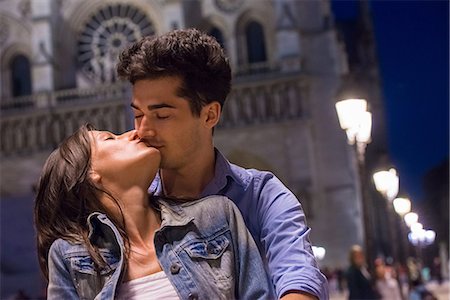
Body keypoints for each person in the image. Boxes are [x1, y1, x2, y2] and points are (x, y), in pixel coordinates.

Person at [117, 27, 327, 300]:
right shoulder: (127, 205)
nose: (143, 130)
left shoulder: (261, 196)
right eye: (138, 115)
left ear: (209, 115)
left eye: (162, 115)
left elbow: (298, 274)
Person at [34, 124, 273, 299]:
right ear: (91, 177)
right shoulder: (70, 257)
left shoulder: (216, 216)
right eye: (110, 139)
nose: (134, 132)